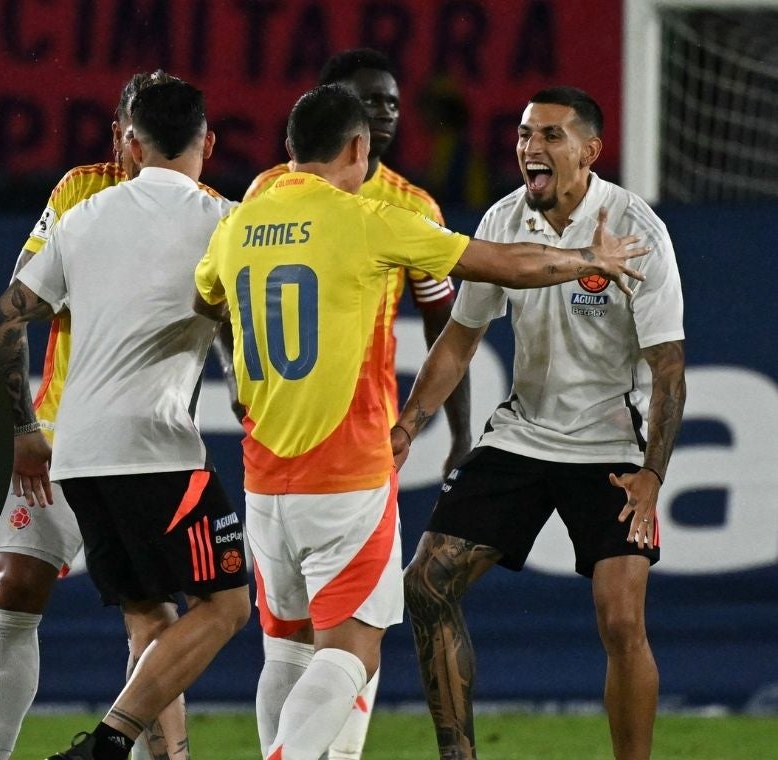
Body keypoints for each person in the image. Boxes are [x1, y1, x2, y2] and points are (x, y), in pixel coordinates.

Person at [192, 84, 648, 760]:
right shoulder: (366, 217)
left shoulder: (236, 225)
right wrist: (591, 260)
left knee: (286, 644)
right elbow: (502, 265)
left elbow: (209, 302)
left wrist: (241, 380)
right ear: (357, 149)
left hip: (263, 475)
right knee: (354, 645)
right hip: (344, 471)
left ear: (290, 151)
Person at [395, 87, 685, 760]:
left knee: (621, 620)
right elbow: (460, 340)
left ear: (589, 151)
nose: (531, 147)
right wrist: (410, 425)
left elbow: (667, 367)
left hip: (612, 442)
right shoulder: (503, 219)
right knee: (425, 585)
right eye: (526, 133)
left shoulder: (636, 229)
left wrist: (651, 476)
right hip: (522, 435)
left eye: (551, 135)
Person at [0, 78, 251, 760]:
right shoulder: (224, 219)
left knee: (149, 615)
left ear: (133, 138)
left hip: (76, 448)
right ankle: (108, 742)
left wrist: (23, 426)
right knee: (226, 606)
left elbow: (6, 316)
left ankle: (162, 755)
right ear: (208, 143)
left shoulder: (85, 216)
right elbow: (236, 328)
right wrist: (250, 397)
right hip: (153, 445)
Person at [242, 49, 472, 759]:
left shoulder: (405, 203)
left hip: (304, 451)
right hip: (336, 454)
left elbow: (444, 326)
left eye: (394, 102)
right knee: (346, 636)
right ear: (328, 110)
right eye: (367, 101)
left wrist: (452, 432)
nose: (384, 114)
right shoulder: (286, 194)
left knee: (311, 638)